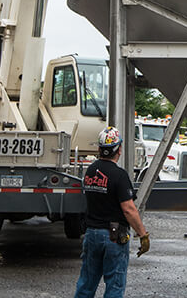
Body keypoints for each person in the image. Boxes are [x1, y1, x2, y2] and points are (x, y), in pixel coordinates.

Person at [74, 127, 150, 298]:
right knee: (114, 285)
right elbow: (129, 209)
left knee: (86, 283)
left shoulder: (90, 171)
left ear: (99, 149)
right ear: (119, 149)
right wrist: (143, 235)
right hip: (113, 237)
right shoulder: (119, 175)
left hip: (91, 234)